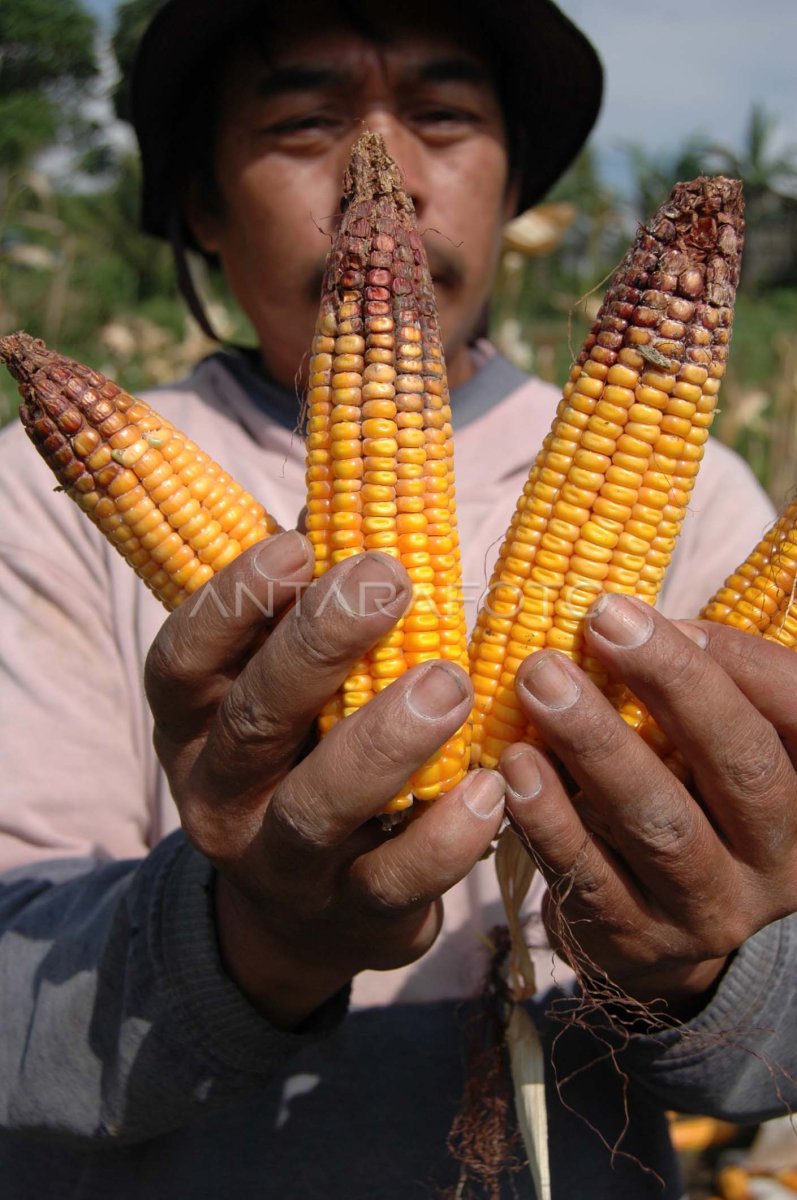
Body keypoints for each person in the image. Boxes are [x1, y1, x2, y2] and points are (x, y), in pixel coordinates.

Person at [0, 1, 795, 1196]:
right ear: (203, 203)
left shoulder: (705, 497)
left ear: (514, 185)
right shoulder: (33, 499)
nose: (389, 174)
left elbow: (771, 1054)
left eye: (442, 115)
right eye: (306, 118)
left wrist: (716, 972)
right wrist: (249, 943)